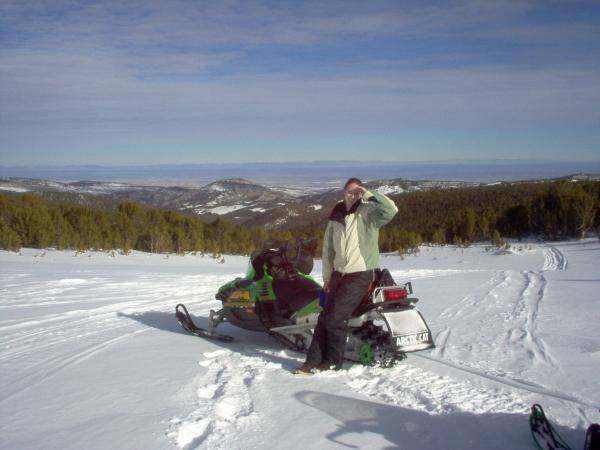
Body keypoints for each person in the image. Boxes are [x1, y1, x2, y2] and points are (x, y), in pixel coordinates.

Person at [295, 177, 398, 374]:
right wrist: (327, 277)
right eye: (349, 192)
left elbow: (391, 210)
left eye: (356, 192)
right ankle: (311, 362)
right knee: (324, 318)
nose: (353, 195)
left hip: (360, 274)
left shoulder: (367, 212)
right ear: (343, 193)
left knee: (334, 319)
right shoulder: (336, 215)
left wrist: (368, 194)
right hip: (337, 275)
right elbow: (328, 250)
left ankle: (332, 361)